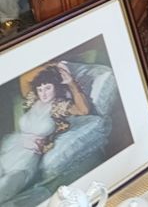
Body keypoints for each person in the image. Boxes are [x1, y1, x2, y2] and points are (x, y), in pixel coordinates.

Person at [0, 62, 90, 202]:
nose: (43, 93)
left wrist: (70, 82)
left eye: (48, 88)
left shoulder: (58, 105)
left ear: (56, 87)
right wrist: (53, 66)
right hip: (12, 149)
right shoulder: (33, 99)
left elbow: (83, 110)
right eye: (40, 89)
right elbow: (24, 78)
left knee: (5, 187)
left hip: (28, 157)